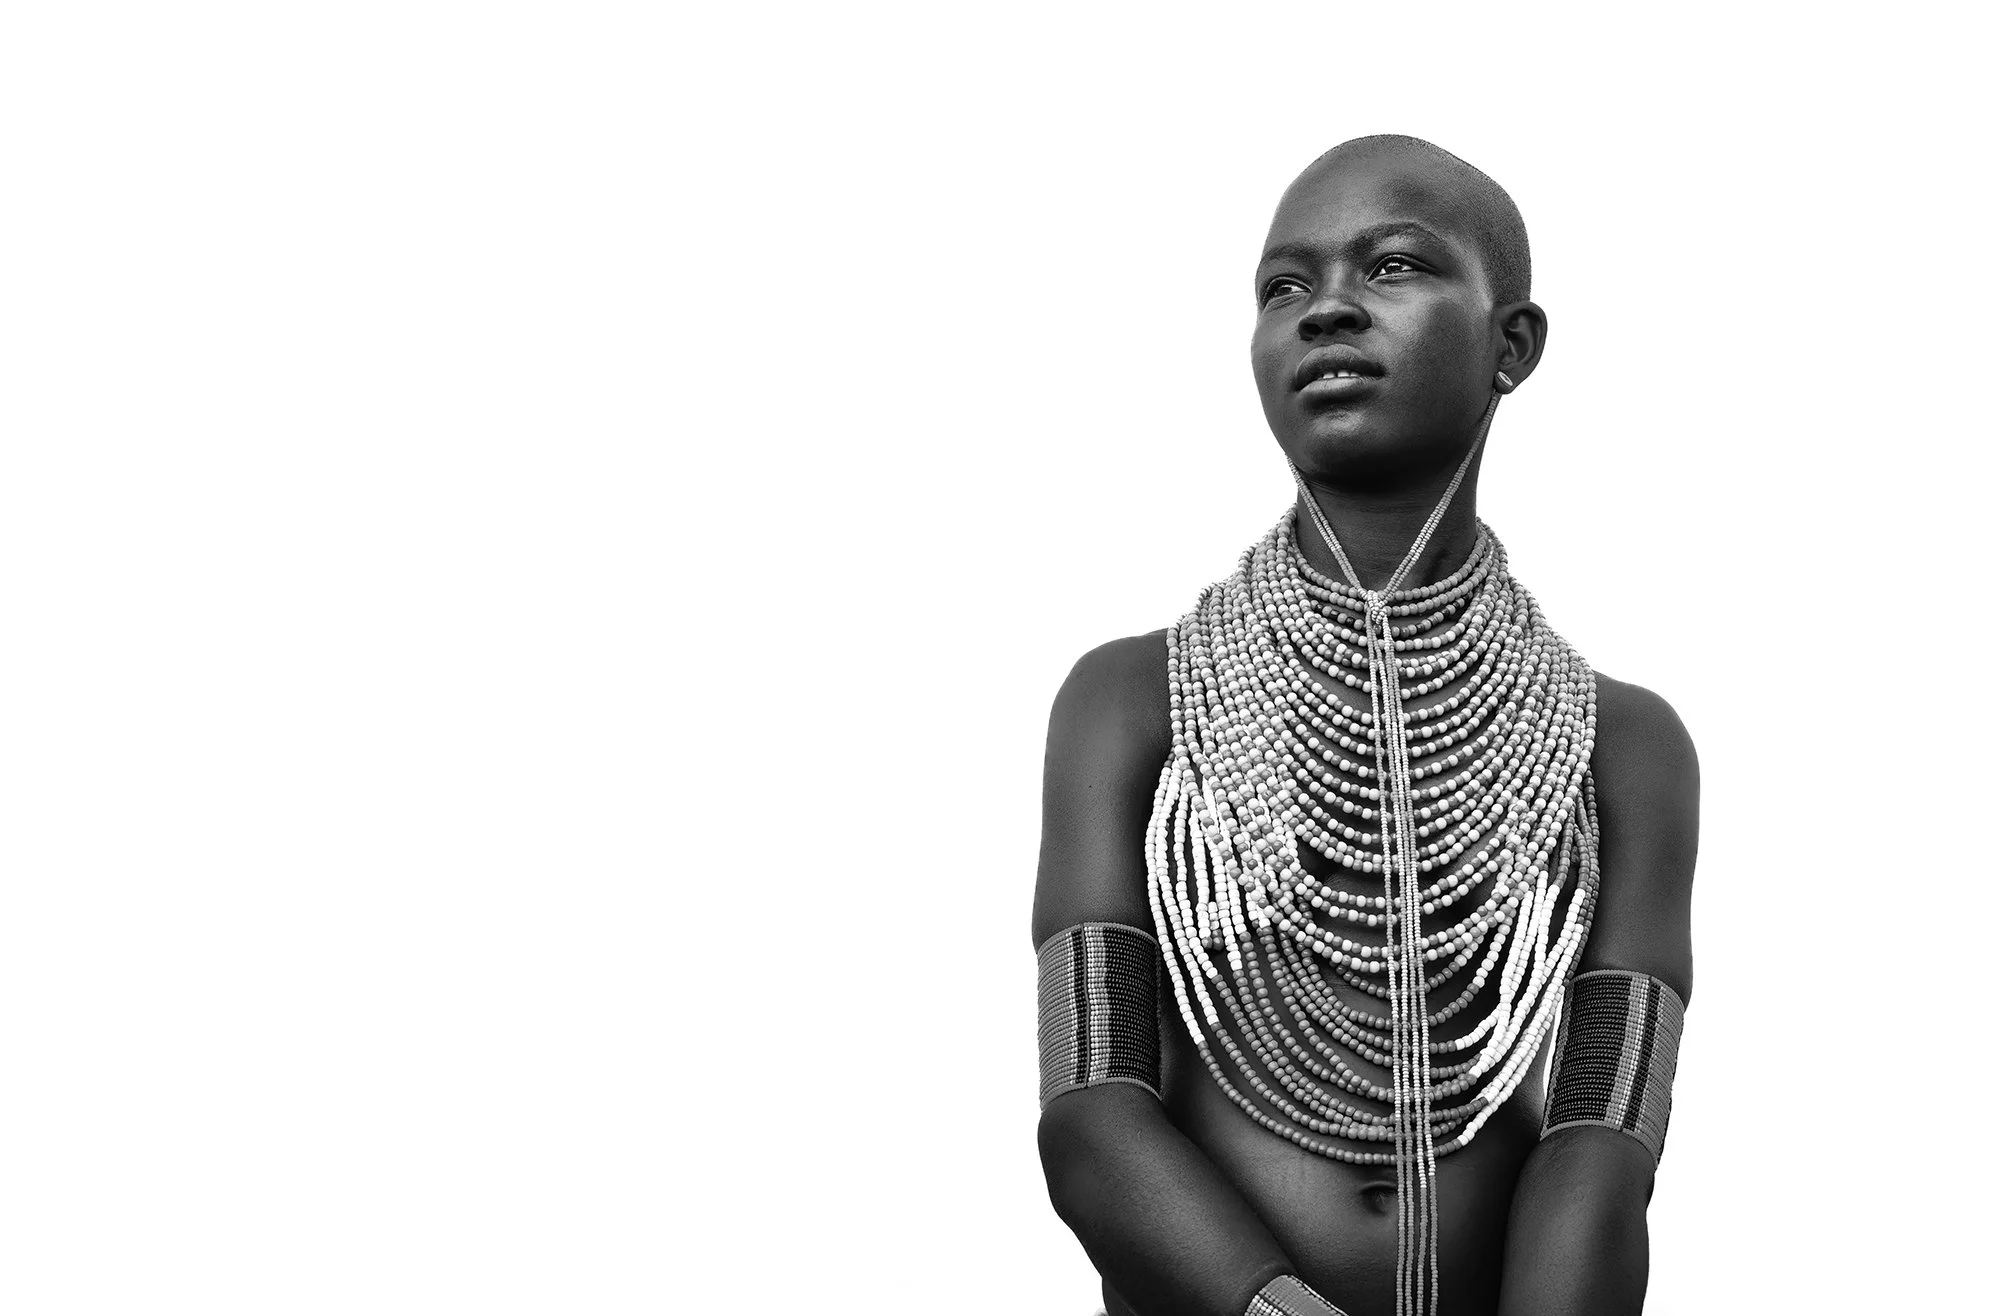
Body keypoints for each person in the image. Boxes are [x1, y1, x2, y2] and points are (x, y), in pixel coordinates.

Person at [1031, 136, 1699, 1316]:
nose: (1325, 307)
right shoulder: (1131, 700)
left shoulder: (1624, 743)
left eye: (1390, 266)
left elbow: (1604, 1133)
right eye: (1281, 287)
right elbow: (1090, 1107)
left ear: (1512, 346)